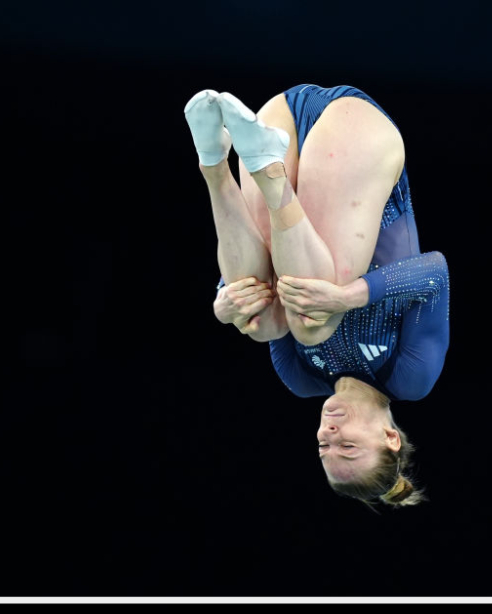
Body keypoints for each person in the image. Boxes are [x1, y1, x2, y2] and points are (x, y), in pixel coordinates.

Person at [184, 84, 451, 508]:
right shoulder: (410, 377)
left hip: (278, 122)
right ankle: (264, 173)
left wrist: (224, 303)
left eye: (324, 450)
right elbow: (435, 274)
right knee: (312, 325)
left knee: (263, 322)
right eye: (348, 447)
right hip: (354, 137)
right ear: (390, 437)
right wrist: (347, 298)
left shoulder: (300, 379)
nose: (329, 436)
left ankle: (215, 165)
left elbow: (266, 287)